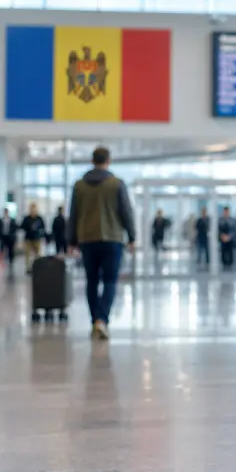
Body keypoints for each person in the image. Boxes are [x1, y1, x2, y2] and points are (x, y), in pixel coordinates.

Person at [67, 146, 135, 340]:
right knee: (110, 280)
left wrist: (71, 241)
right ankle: (102, 320)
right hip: (112, 239)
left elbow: (74, 215)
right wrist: (132, 237)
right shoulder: (116, 184)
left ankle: (95, 319)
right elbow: (126, 212)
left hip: (87, 239)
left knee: (91, 281)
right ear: (108, 160)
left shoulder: (79, 186)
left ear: (92, 161)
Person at [20, 203, 46, 273]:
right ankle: (28, 268)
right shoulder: (26, 218)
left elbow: (43, 227)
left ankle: (37, 267)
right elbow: (22, 227)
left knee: (37, 254)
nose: (33, 211)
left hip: (37, 238)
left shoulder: (39, 218)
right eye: (32, 209)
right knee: (27, 254)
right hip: (28, 239)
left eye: (34, 209)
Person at [0, 208, 19, 275]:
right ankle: (1, 262)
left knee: (10, 250)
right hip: (3, 237)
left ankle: (11, 261)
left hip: (10, 237)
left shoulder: (12, 220)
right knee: (1, 249)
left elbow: (15, 228)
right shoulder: (0, 220)